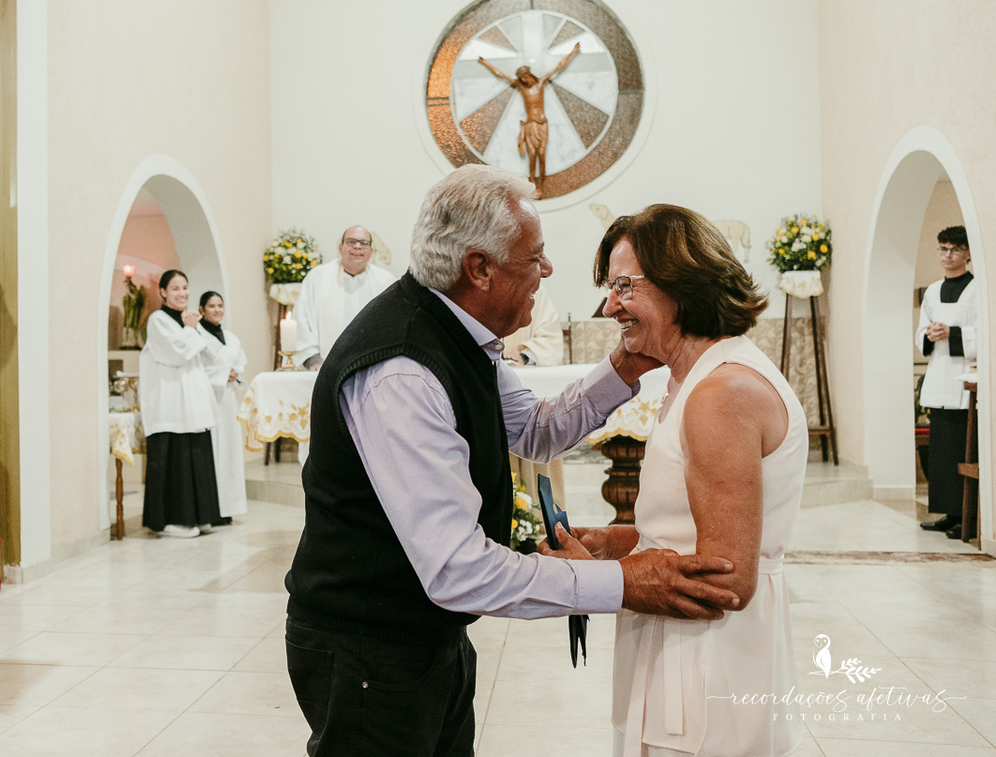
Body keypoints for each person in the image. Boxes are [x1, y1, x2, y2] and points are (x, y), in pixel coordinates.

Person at [284, 167, 741, 757]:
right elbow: (458, 570)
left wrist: (626, 367)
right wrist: (623, 582)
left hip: (425, 631)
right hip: (366, 646)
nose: (546, 270)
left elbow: (533, 430)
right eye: (534, 257)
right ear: (479, 268)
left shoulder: (459, 332)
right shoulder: (401, 372)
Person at [543, 204, 807, 757]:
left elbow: (724, 581)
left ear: (680, 283)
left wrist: (594, 576)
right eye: (610, 288)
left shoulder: (721, 394)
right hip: (680, 649)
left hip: (707, 666)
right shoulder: (697, 378)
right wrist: (614, 542)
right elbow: (687, 532)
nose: (610, 306)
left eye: (624, 286)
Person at [139, 270, 220, 538]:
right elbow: (178, 353)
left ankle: (199, 516)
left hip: (193, 404)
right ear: (162, 292)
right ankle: (168, 522)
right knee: (173, 462)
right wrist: (190, 330)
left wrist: (194, 328)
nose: (182, 293)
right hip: (169, 404)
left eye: (185, 287)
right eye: (175, 288)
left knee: (195, 458)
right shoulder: (158, 320)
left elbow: (211, 354)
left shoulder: (189, 320)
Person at [916, 226, 978, 539]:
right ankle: (946, 512)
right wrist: (929, 334)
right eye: (943, 248)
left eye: (954, 249)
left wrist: (953, 333)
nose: (948, 255)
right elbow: (921, 332)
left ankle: (966, 515)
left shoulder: (978, 289)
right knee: (941, 454)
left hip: (965, 382)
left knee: (962, 453)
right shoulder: (932, 291)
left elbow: (985, 333)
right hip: (939, 377)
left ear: (968, 253)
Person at [292, 225, 396, 369]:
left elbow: (395, 326)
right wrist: (313, 359)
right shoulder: (318, 277)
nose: (357, 246)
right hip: (326, 368)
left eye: (364, 243)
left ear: (371, 251)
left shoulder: (386, 281)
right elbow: (302, 320)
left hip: (375, 367)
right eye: (351, 242)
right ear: (340, 248)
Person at [477, 43, 580, 186]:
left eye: (524, 77)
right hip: (530, 124)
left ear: (529, 74)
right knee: (532, 154)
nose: (524, 80)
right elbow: (501, 74)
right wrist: (485, 63)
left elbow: (558, 67)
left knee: (542, 154)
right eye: (521, 78)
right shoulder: (521, 87)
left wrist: (573, 52)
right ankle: (532, 182)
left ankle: (541, 184)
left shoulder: (541, 83)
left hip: (542, 124)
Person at [502, 287, 568, 505]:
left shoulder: (533, 289)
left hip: (528, 387)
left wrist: (526, 353)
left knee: (538, 429)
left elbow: (550, 339)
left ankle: (536, 515)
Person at [196, 290, 248, 522]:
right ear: (201, 310)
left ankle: (228, 507)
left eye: (220, 305)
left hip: (228, 400)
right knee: (213, 451)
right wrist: (222, 373)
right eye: (211, 306)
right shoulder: (197, 335)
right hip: (208, 399)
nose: (217, 310)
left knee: (229, 452)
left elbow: (240, 364)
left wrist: (235, 374)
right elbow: (196, 368)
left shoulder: (231, 337)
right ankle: (212, 509)